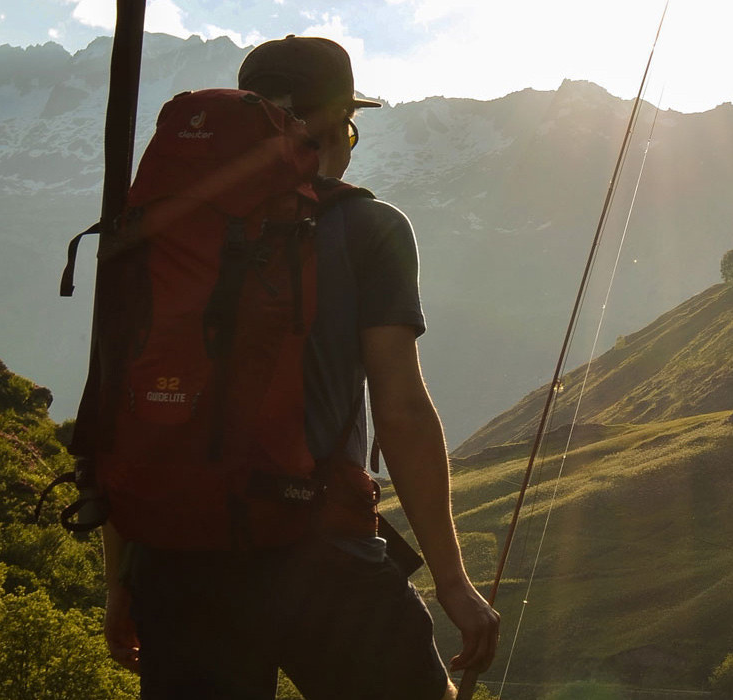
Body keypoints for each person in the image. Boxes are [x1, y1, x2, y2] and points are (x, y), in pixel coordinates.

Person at [99, 35, 500, 699]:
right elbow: (400, 409)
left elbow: (120, 412)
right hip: (323, 556)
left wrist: (123, 582)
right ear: (339, 127)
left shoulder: (156, 231)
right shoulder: (369, 227)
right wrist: (453, 583)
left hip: (178, 565)